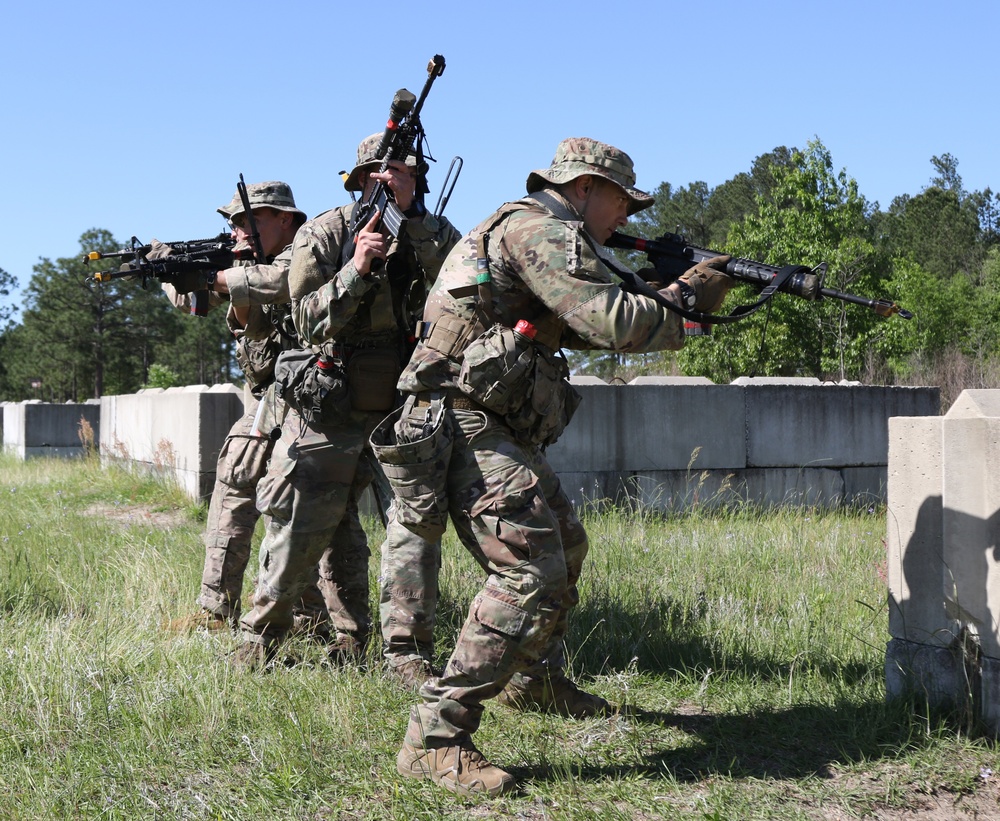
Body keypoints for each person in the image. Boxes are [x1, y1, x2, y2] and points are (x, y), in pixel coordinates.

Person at [374, 137, 735, 796]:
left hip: (482, 414)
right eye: (622, 201)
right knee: (529, 565)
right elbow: (611, 322)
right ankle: (436, 736)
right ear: (588, 186)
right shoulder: (541, 229)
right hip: (463, 415)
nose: (625, 218)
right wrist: (689, 294)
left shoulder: (531, 231)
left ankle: (532, 679)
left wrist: (668, 291)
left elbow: (579, 320)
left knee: (564, 545)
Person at [232, 134, 461, 669]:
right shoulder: (326, 232)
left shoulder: (430, 231)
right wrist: (356, 270)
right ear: (359, 181)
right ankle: (261, 639)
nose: (395, 185)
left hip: (404, 405)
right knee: (296, 526)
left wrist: (414, 221)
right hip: (331, 401)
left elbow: (464, 286)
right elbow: (308, 320)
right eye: (383, 178)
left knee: (413, 527)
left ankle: (405, 652)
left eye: (407, 178)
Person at [165, 181, 331, 634]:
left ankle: (315, 617)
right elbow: (195, 300)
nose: (238, 229)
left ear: (285, 219)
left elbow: (279, 283)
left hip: (321, 404)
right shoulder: (244, 263)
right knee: (235, 477)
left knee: (312, 515)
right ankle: (216, 609)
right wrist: (168, 269)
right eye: (234, 221)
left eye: (249, 219)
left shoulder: (311, 250)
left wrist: (218, 277)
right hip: (269, 400)